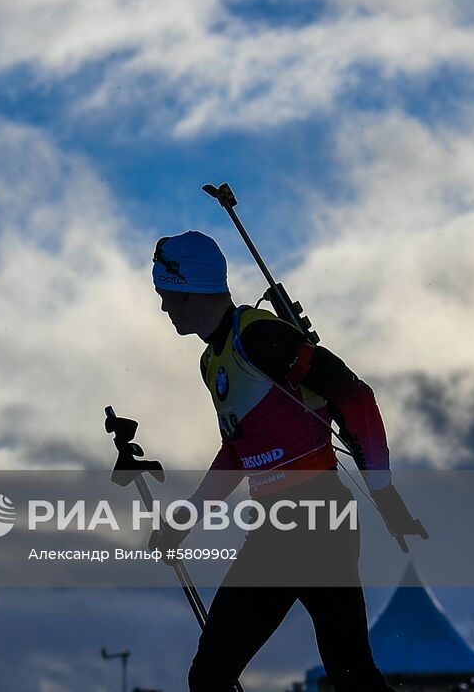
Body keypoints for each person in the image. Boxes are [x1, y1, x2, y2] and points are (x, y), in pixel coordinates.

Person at [145, 230, 426, 692]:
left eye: (165, 295)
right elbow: (239, 449)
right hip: (276, 525)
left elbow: (355, 397)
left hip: (319, 517)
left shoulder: (258, 335)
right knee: (210, 675)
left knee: (350, 674)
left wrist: (384, 492)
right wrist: (187, 516)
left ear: (187, 288)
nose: (163, 307)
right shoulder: (211, 361)